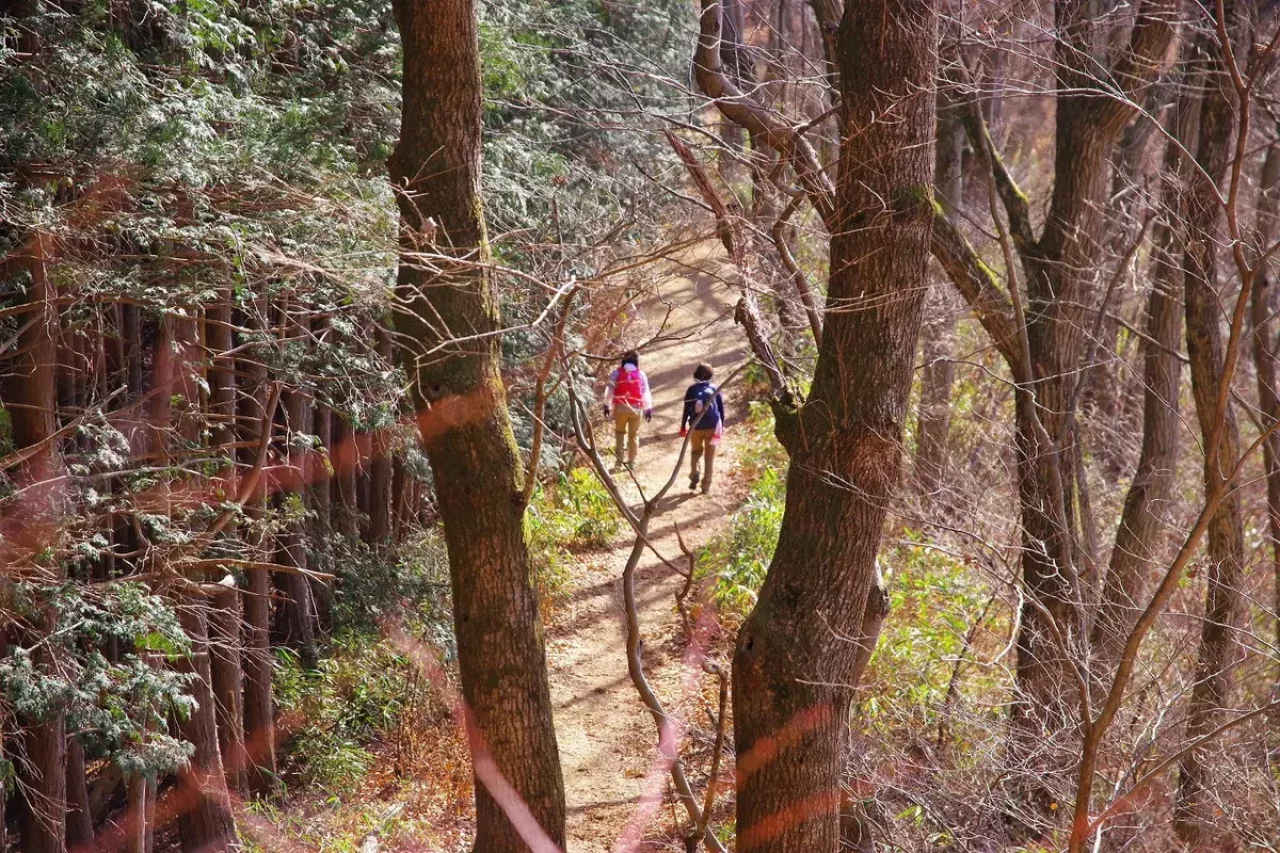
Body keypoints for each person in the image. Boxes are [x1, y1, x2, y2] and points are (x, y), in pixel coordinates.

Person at [680, 362, 725, 495]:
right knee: (709, 456)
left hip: (696, 426)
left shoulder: (691, 390)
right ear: (711, 375)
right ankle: (706, 486)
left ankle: (695, 473)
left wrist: (683, 425)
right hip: (713, 425)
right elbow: (721, 410)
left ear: (695, 375)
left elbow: (686, 409)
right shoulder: (715, 388)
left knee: (696, 452)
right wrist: (722, 425)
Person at [603, 350, 652, 470]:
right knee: (633, 435)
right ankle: (631, 462)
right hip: (636, 408)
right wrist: (648, 408)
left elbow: (609, 390)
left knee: (620, 434)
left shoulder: (616, 373)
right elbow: (645, 392)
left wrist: (606, 405)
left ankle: (618, 462)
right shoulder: (640, 374)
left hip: (620, 407)